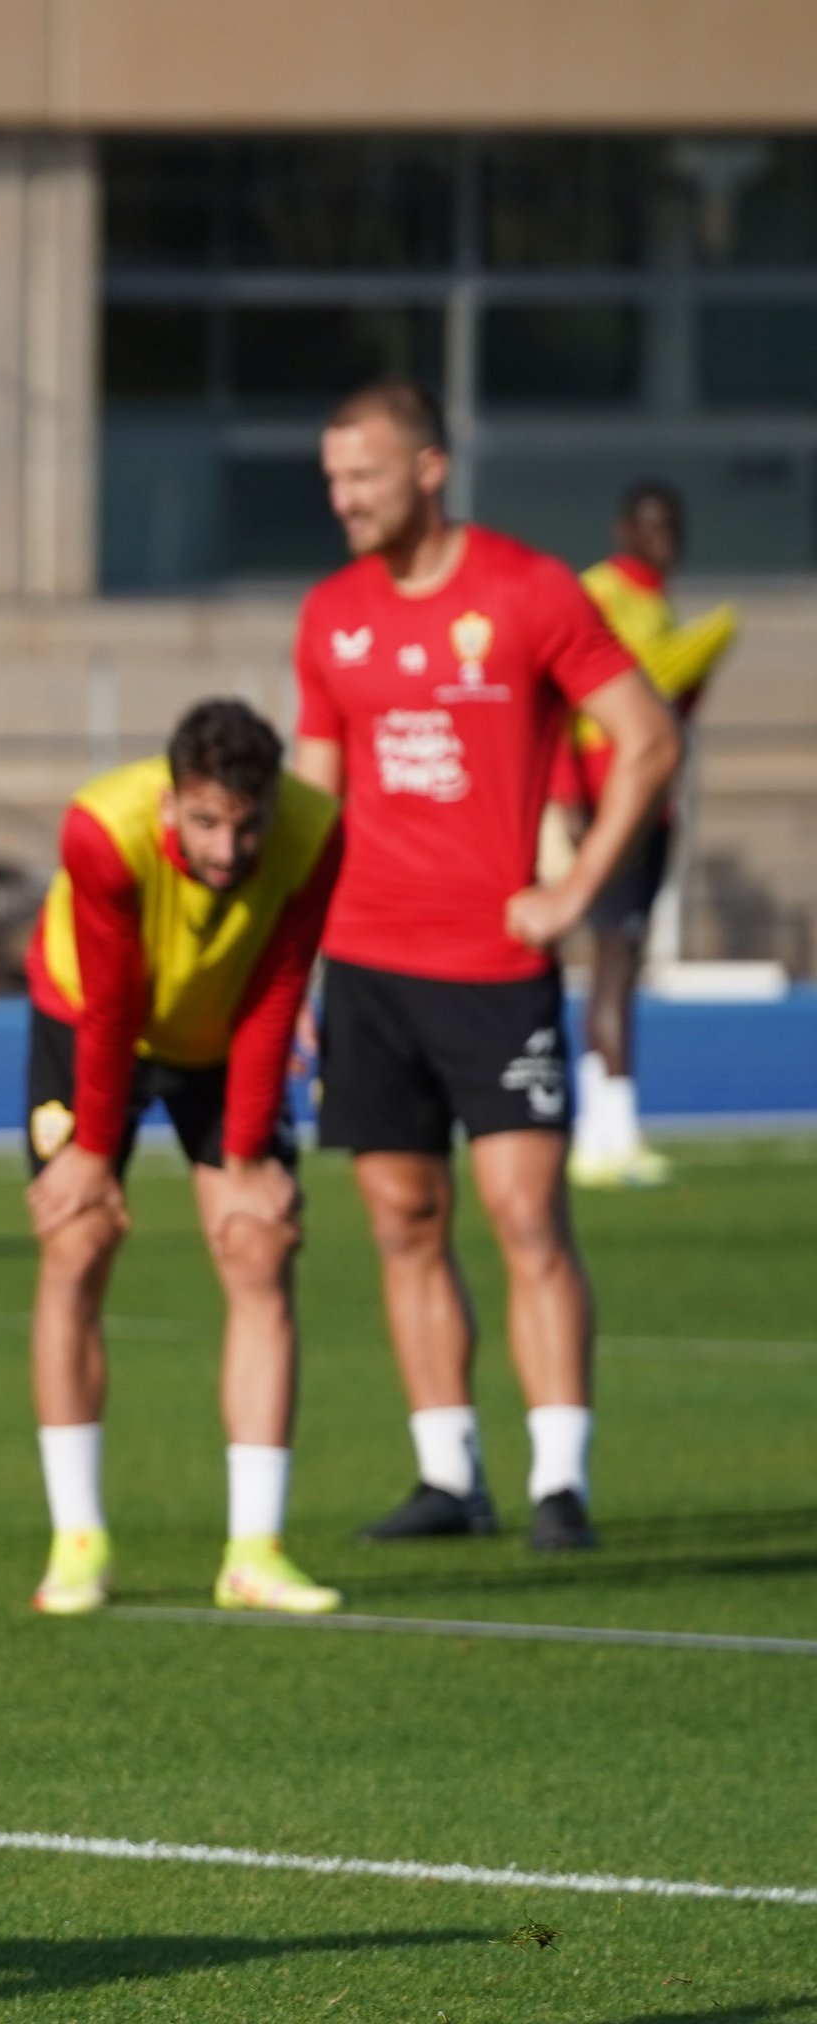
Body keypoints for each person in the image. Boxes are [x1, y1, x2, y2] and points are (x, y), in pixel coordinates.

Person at [291, 380, 679, 1556]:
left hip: (493, 964)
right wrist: (292, 970)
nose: (341, 499)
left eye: (360, 476)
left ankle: (560, 1478)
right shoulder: (329, 616)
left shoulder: (528, 591)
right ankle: (445, 1472)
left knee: (525, 1216)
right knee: (405, 1220)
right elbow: (311, 800)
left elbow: (648, 738)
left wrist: (572, 890)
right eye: (330, 480)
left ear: (426, 469)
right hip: (363, 963)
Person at [22, 698, 343, 1620]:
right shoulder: (103, 829)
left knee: (258, 1244)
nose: (228, 849)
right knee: (76, 1238)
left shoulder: (318, 831)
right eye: (206, 822)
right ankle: (79, 1541)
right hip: (90, 1019)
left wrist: (245, 1155)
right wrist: (90, 1148)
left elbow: (283, 977)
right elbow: (117, 997)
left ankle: (256, 1547)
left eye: (248, 825)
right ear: (171, 805)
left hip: (226, 1030)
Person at [550, 481, 738, 1191]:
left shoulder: (657, 604)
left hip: (651, 800)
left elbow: (668, 711)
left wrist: (701, 666)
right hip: (611, 800)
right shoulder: (598, 592)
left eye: (675, 526)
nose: (667, 538)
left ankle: (601, 1131)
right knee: (615, 958)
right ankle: (615, 1129)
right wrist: (570, 795)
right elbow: (562, 697)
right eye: (654, 525)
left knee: (617, 959)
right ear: (624, 526)